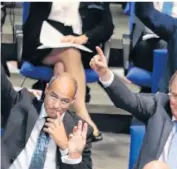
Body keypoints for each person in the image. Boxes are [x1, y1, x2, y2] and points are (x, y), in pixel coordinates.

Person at [21, 1, 114, 139]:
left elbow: (107, 26)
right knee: (70, 53)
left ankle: (57, 121)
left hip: (81, 45)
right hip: (43, 44)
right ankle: (82, 115)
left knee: (62, 65)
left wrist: (83, 38)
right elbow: (33, 21)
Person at [1, 66, 93, 169]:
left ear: (72, 101)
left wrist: (66, 147)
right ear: (47, 89)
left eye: (64, 101)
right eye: (53, 96)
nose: (56, 105)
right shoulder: (21, 104)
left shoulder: (80, 130)